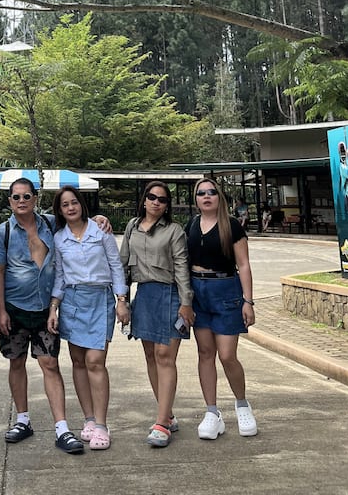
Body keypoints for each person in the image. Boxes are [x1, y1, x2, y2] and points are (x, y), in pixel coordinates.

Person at [0, 177, 112, 455]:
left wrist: (99, 218)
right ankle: (22, 420)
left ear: (35, 198)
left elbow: (77, 221)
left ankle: (61, 427)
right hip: (15, 307)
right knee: (16, 362)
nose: (21, 201)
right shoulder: (3, 232)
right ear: (9, 201)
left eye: (27, 196)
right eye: (16, 197)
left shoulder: (50, 223)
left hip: (46, 308)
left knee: (50, 364)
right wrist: (0, 311)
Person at [47, 187, 129, 451]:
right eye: (65, 205)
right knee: (79, 362)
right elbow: (60, 275)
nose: (71, 208)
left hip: (99, 299)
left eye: (74, 202)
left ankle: (102, 424)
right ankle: (89, 419)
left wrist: (121, 300)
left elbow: (116, 266)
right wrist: (54, 307)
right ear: (59, 210)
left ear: (82, 204)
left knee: (95, 361)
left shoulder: (101, 231)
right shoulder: (59, 238)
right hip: (72, 301)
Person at [119, 180, 194, 448]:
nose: (156, 202)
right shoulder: (132, 226)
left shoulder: (174, 230)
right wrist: (122, 300)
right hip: (145, 295)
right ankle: (167, 414)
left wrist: (186, 303)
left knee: (165, 356)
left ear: (167, 205)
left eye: (162, 199)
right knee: (151, 355)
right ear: (144, 199)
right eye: (152, 197)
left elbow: (182, 267)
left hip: (170, 293)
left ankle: (161, 423)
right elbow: (122, 266)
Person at [186, 177, 257, 440]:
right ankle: (212, 412)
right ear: (196, 199)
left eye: (212, 192)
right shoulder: (191, 225)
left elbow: (244, 264)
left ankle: (242, 404)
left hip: (226, 290)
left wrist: (248, 301)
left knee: (227, 355)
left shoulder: (232, 226)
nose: (206, 196)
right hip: (198, 291)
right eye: (201, 193)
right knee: (205, 353)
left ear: (220, 197)